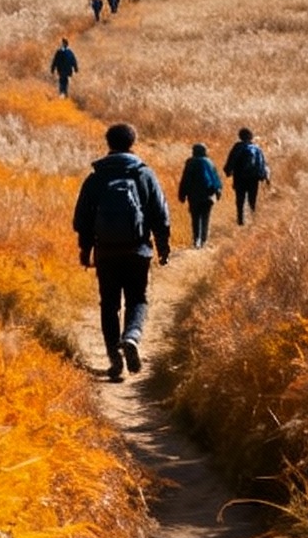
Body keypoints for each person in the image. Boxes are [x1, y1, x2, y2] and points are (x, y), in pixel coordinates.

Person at [72, 122, 170, 380]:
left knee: (109, 305)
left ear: (109, 143)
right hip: (138, 250)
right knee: (137, 299)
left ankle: (115, 362)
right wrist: (163, 248)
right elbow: (160, 214)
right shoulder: (143, 174)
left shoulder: (96, 177)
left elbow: (82, 219)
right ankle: (132, 337)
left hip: (106, 252)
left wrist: (86, 250)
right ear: (132, 142)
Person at [177, 142, 222, 248]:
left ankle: (196, 239)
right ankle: (203, 240)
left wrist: (182, 194)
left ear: (193, 151)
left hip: (194, 196)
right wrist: (218, 192)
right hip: (208, 196)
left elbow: (185, 179)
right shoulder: (209, 162)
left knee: (195, 218)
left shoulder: (190, 162)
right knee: (205, 218)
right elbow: (216, 179)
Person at [224, 127, 270, 226]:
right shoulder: (256, 148)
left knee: (240, 199)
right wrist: (266, 177)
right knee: (252, 199)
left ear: (240, 136)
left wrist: (228, 171)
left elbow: (231, 160)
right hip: (254, 178)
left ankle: (240, 221)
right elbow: (263, 163)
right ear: (251, 136)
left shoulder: (237, 147)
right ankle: (253, 220)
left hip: (240, 177)